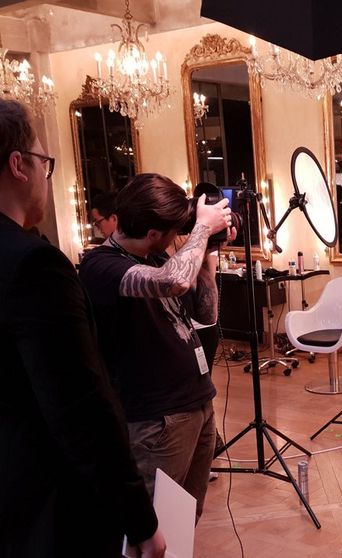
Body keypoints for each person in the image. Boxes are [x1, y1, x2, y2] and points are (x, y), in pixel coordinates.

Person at [0, 99, 165, 557]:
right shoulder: (34, 266)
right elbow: (80, 407)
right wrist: (141, 519)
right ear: (19, 166)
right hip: (44, 502)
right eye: (45, 163)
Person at [79, 173, 233, 521]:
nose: (174, 238)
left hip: (197, 405)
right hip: (157, 420)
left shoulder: (157, 257)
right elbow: (175, 282)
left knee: (183, 519)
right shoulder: (101, 266)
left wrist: (207, 250)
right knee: (155, 525)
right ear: (151, 233)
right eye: (171, 232)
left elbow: (206, 313)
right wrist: (201, 230)